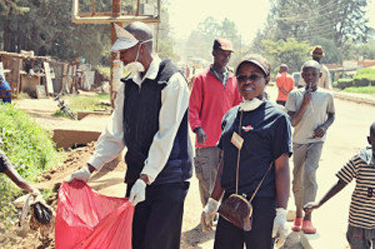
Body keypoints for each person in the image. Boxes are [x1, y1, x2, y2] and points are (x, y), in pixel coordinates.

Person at [68, 22, 193, 249]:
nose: (121, 57)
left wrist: (146, 178)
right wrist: (89, 168)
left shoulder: (172, 81)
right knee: (134, 242)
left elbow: (165, 136)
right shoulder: (129, 83)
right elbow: (116, 131)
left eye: (125, 51)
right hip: (137, 177)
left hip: (168, 181)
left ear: (141, 48)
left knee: (158, 243)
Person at [201, 54, 292, 249]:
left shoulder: (277, 118)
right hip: (230, 205)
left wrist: (282, 212)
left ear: (266, 80)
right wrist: (213, 201)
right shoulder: (231, 116)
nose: (247, 81)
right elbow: (225, 162)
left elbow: (282, 168)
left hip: (261, 206)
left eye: (254, 76)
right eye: (241, 77)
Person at [189, 38, 242, 209]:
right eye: (222, 53)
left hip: (228, 140)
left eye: (228, 54)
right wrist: (197, 128)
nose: (225, 57)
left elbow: (238, 108)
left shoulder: (234, 80)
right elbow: (193, 108)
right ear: (213, 53)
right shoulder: (201, 79)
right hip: (207, 140)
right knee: (207, 180)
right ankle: (208, 216)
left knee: (228, 180)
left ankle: (222, 217)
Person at [304, 122, 375, 248]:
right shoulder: (360, 160)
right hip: (358, 222)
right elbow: (341, 182)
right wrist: (319, 203)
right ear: (370, 140)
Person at [285, 59, 335, 234]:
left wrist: (324, 127)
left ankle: (308, 218)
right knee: (297, 179)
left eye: (314, 74)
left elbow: (331, 115)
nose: (310, 77)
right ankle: (298, 214)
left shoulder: (327, 95)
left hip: (316, 141)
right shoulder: (295, 95)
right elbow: (292, 122)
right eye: (306, 74)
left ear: (320, 75)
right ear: (302, 76)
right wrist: (305, 103)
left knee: (310, 174)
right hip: (299, 141)